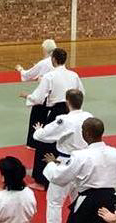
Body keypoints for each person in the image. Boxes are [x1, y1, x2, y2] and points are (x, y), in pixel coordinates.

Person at [32, 88, 92, 223]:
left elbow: (44, 136)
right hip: (85, 163)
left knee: (54, 200)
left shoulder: (64, 120)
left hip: (65, 163)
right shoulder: (89, 117)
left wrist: (38, 131)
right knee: (78, 199)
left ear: (67, 102)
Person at [20, 48, 83, 189]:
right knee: (68, 141)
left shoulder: (50, 76)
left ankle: (41, 181)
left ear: (53, 59)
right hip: (73, 109)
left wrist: (28, 96)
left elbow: (38, 98)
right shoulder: (74, 75)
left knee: (45, 143)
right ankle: (69, 173)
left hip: (57, 111)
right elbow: (81, 93)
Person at [16, 39, 57, 149]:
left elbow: (28, 75)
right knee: (51, 118)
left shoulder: (44, 63)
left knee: (37, 116)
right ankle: (48, 139)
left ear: (45, 49)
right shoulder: (57, 61)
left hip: (44, 95)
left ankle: (33, 143)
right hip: (56, 95)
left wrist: (20, 69)